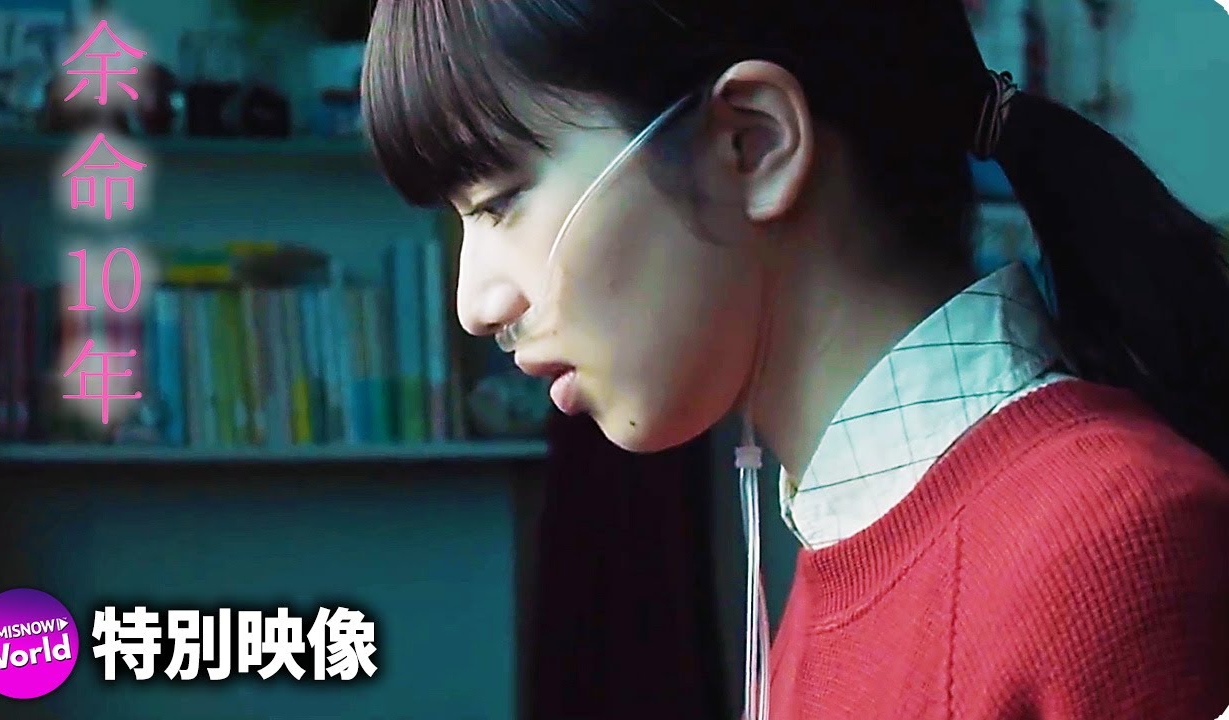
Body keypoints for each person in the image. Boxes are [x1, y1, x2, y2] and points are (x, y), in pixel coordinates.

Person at [359, 1, 1229, 718]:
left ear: (755, 144)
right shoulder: (844, 534)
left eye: (501, 201)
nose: (476, 304)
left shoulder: (1102, 549)